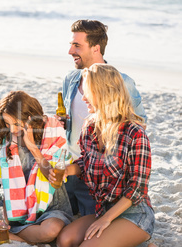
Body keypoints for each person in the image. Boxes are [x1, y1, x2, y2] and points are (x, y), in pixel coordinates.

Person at [53, 64, 166, 247]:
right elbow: (85, 163)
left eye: (87, 92)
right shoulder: (90, 127)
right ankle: (115, 241)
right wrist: (66, 171)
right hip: (103, 209)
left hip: (134, 213)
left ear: (103, 92)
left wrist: (105, 220)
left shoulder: (135, 134)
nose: (84, 97)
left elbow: (137, 190)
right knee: (65, 242)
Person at [0, 91, 73, 245]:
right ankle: (21, 238)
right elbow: (8, 185)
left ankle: (12, 234)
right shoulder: (8, 141)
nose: (11, 130)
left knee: (51, 230)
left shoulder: (52, 132)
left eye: (16, 124)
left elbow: (53, 178)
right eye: (7, 124)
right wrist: (6, 216)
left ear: (30, 118)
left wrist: (33, 148)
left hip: (50, 208)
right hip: (16, 205)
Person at [61, 19, 147, 216]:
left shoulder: (122, 82)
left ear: (95, 48)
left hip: (99, 174)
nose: (70, 51)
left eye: (77, 45)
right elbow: (72, 119)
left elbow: (138, 125)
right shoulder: (71, 79)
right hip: (71, 166)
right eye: (71, 45)